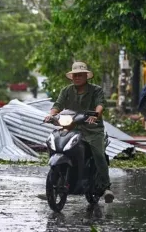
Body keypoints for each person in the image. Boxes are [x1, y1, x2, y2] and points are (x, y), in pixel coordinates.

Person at [44, 61, 114, 203]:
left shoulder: (96, 90)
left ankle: (106, 186)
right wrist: (51, 115)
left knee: (98, 154)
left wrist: (95, 115)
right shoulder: (66, 90)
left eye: (80, 75)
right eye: (75, 75)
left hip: (93, 129)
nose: (77, 77)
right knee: (56, 145)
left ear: (86, 76)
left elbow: (101, 104)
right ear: (72, 77)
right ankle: (54, 183)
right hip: (72, 127)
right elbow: (57, 105)